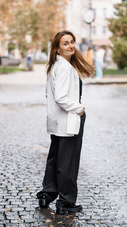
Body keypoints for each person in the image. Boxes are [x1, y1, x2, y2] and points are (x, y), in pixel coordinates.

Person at [37, 30, 94, 215]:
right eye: (65, 43)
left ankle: (47, 193)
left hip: (58, 122)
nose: (70, 46)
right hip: (69, 121)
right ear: (57, 48)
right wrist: (79, 109)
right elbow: (61, 97)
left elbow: (49, 95)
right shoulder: (64, 68)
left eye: (72, 42)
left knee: (55, 160)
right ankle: (66, 203)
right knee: (68, 163)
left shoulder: (55, 66)